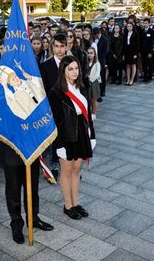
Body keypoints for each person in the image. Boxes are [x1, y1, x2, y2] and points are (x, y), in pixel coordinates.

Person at [48, 56, 95, 220]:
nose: (75, 72)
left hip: (82, 132)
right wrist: (59, 144)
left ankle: (76, 203)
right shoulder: (56, 92)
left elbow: (88, 113)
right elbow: (55, 121)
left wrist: (92, 135)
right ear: (63, 71)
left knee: (77, 169)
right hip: (65, 136)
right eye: (71, 69)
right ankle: (68, 205)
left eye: (76, 68)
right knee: (66, 171)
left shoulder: (83, 86)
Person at [40, 33, 68, 178]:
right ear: (52, 47)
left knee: (70, 136)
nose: (59, 50)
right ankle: (55, 164)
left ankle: (69, 164)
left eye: (62, 46)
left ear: (66, 47)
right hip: (53, 107)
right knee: (56, 138)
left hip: (69, 107)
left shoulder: (72, 63)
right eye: (56, 46)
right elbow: (43, 89)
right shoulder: (45, 66)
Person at [93, 27, 108, 99]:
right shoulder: (93, 39)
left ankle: (102, 90)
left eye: (97, 35)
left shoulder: (104, 40)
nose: (96, 36)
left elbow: (105, 51)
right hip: (93, 61)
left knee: (102, 76)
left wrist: (99, 58)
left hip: (101, 61)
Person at [139, 18, 154, 83]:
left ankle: (150, 77)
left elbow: (152, 42)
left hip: (148, 51)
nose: (144, 24)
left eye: (146, 23)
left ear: (149, 23)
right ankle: (145, 77)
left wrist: (150, 52)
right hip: (143, 50)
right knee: (144, 64)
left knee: (149, 64)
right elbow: (140, 41)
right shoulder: (142, 31)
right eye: (144, 23)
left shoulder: (152, 31)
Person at [87, 47, 101, 120]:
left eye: (91, 53)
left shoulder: (97, 63)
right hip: (87, 82)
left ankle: (93, 113)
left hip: (93, 82)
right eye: (88, 53)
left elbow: (97, 74)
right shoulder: (86, 62)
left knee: (94, 99)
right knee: (88, 98)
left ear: (95, 54)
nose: (89, 55)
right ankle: (89, 112)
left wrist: (90, 78)